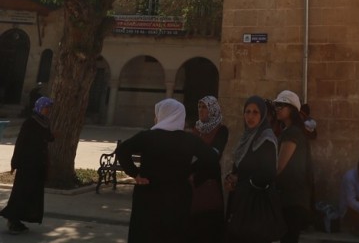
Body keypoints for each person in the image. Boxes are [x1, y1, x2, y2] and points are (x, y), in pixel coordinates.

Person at [116, 97, 220, 243]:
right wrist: (191, 171)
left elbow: (122, 151)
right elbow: (211, 158)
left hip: (148, 195)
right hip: (178, 197)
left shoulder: (148, 137)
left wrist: (135, 173)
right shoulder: (189, 140)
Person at [225, 94, 284, 243]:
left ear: (263, 115)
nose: (250, 116)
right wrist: (232, 179)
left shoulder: (266, 138)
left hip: (257, 208)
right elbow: (240, 168)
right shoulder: (247, 137)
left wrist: (241, 180)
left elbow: (267, 173)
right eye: (247, 112)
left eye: (255, 112)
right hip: (242, 204)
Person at [1, 96, 54, 235]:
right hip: (27, 164)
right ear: (39, 107)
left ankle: (19, 220)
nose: (48, 110)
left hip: (38, 164)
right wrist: (14, 162)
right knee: (21, 192)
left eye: (49, 108)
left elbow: (48, 137)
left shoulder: (44, 122)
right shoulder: (30, 123)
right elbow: (20, 143)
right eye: (46, 107)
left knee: (32, 193)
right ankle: (12, 219)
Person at [274, 90, 313, 243]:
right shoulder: (291, 132)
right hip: (292, 199)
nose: (277, 108)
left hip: (291, 200)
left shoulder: (292, 133)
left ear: (292, 109)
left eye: (281, 105)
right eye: (277, 104)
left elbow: (279, 166)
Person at [188, 95, 228, 243]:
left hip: (208, 181)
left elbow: (213, 157)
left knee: (209, 228)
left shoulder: (221, 130)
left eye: (204, 107)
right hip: (192, 184)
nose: (201, 110)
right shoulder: (196, 129)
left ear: (212, 110)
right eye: (199, 107)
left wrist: (193, 170)